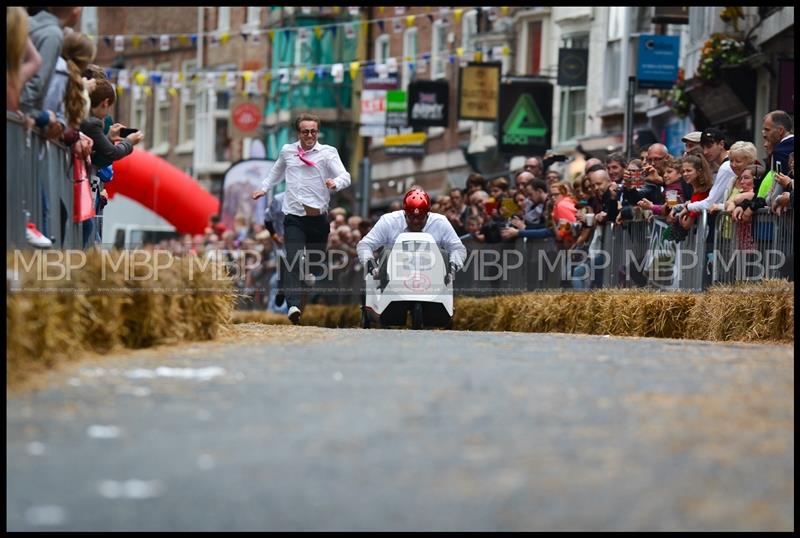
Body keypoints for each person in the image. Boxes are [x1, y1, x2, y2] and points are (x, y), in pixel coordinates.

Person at [251, 112, 351, 325]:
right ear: (299, 133)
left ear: (318, 132)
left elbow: (346, 176)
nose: (309, 135)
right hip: (294, 217)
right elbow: (275, 174)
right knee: (292, 259)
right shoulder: (288, 151)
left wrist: (336, 183)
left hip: (318, 219)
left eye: (313, 131)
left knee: (315, 266)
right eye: (305, 131)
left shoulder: (327, 152)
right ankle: (293, 305)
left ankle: (308, 275)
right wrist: (263, 188)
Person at [80, 78, 144, 247]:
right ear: (105, 103)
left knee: (88, 226)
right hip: (83, 180)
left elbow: (97, 150)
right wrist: (129, 142)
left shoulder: (88, 121)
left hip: (87, 181)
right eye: (108, 107)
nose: (107, 114)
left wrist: (108, 138)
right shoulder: (93, 123)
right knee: (86, 227)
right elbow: (112, 152)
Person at [357, 188, 467, 282]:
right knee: (386, 254)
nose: (415, 221)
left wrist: (452, 267)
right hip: (392, 278)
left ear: (428, 213)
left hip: (430, 278)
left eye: (420, 217)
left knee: (443, 253)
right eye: (411, 216)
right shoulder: (389, 221)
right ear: (404, 212)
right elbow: (365, 245)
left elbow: (457, 248)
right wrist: (371, 265)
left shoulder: (440, 222)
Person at [20, 7, 82, 139]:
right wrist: (40, 116)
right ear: (75, 11)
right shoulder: (53, 35)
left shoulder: (26, 24)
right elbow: (35, 84)